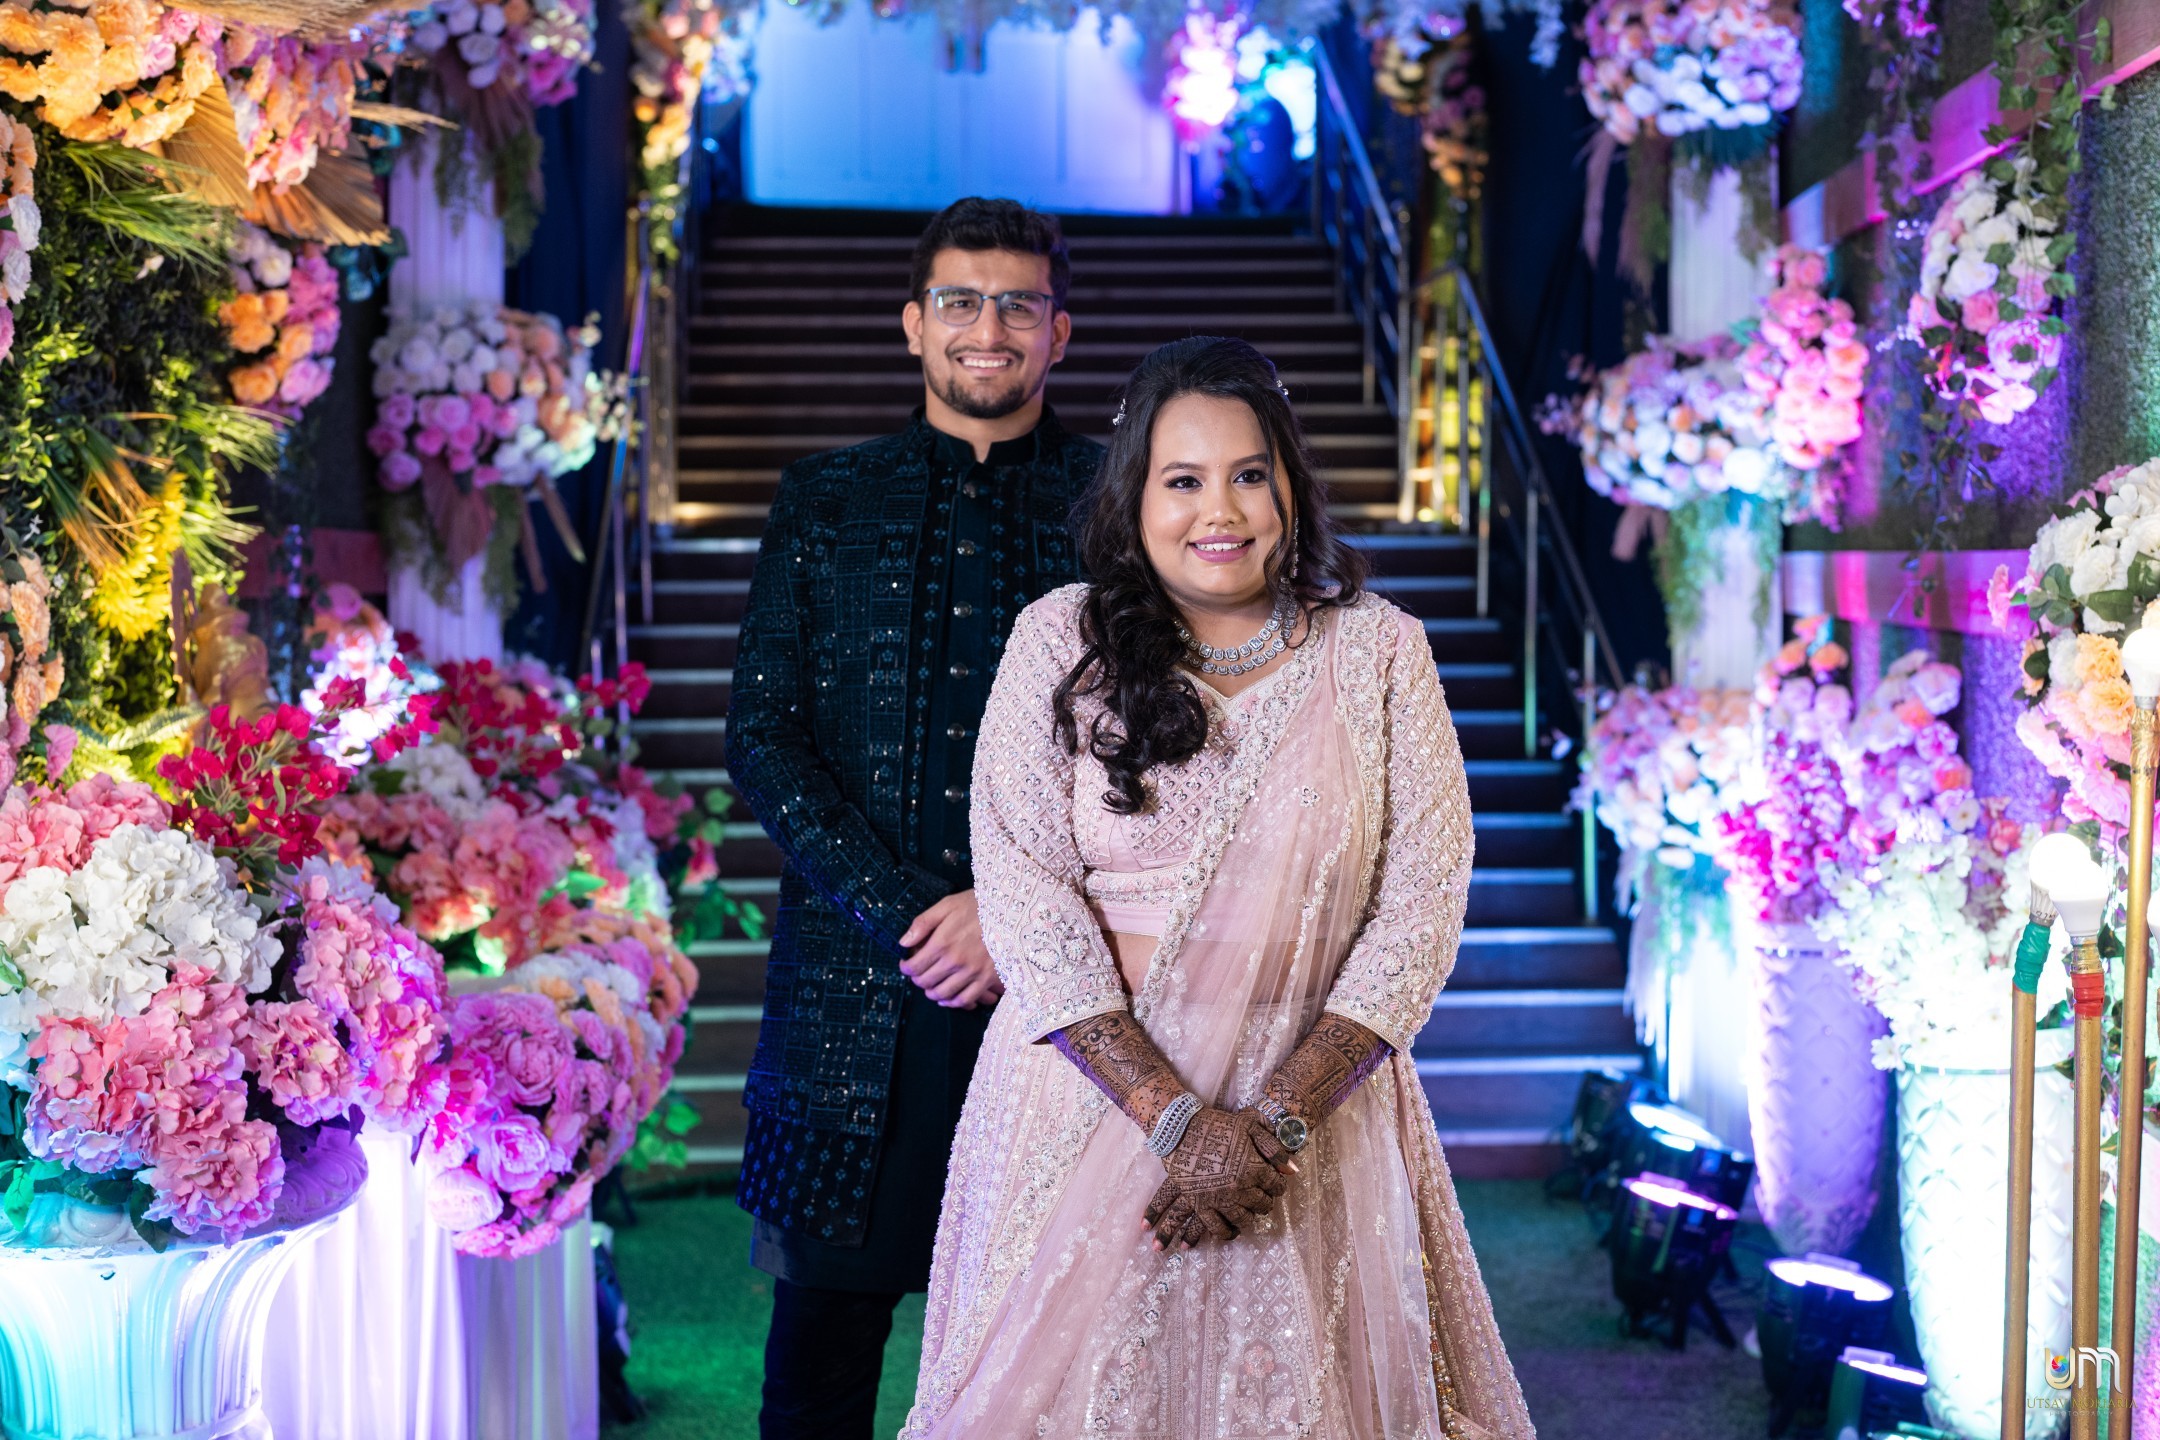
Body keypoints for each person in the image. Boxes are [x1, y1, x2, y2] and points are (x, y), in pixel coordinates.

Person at [903, 336, 1536, 1439]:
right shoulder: (1060, 642)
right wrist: (1177, 1121)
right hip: (1090, 1106)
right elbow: (1026, 897)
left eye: (1249, 474)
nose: (1221, 511)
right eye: (1183, 480)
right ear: (1135, 497)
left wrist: (1270, 1125)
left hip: (1313, 1124)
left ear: (1289, 483)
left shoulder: (1380, 651)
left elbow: (1422, 903)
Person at [725, 197, 1103, 1438]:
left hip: (1069, 1001)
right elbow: (762, 736)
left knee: (1059, 1368)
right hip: (852, 995)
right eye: (960, 301)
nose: (987, 328)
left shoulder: (1123, 506)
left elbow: (1162, 744)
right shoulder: (825, 499)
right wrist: (910, 913)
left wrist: (1013, 915)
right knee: (819, 1369)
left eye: (1016, 305)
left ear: (1058, 332)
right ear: (913, 323)